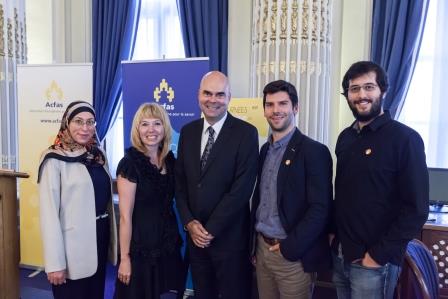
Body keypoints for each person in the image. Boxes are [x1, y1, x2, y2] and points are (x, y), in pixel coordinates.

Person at [331, 61, 429, 299]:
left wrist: (376, 256)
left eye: (369, 87)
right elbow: (343, 194)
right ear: (347, 95)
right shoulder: (345, 138)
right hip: (341, 255)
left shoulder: (405, 139)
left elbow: (416, 209)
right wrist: (332, 236)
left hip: (375, 263)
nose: (361, 95)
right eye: (354, 89)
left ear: (383, 91)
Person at [175, 71, 259, 299]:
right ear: (198, 95)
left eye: (220, 94)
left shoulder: (246, 133)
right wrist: (190, 223)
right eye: (207, 93)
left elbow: (242, 189)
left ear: (229, 97)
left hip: (230, 240)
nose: (213, 100)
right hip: (196, 239)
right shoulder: (188, 132)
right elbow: (179, 183)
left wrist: (209, 230)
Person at [250, 80, 333, 299]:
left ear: (295, 108)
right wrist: (254, 246)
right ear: (264, 110)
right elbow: (260, 200)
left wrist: (290, 248)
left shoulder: (314, 151)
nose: (276, 110)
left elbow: (320, 209)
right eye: (270, 105)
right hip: (262, 250)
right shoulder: (264, 150)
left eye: (283, 103)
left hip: (293, 257)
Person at [38, 101, 117, 299]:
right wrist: (55, 263)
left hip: (100, 238)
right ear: (67, 123)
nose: (85, 128)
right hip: (71, 248)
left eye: (90, 122)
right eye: (78, 121)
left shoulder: (98, 155)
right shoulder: (53, 159)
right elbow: (49, 216)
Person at [113, 103, 185, 299]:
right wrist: (125, 258)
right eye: (144, 124)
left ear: (164, 128)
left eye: (157, 123)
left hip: (168, 244)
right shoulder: (130, 164)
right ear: (137, 129)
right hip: (141, 249)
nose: (151, 130)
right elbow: (125, 218)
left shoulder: (170, 160)